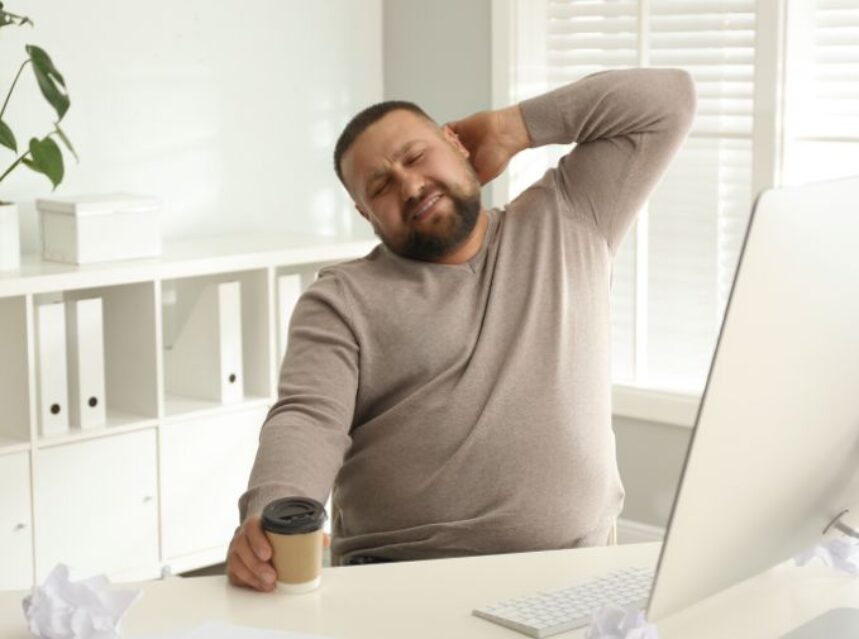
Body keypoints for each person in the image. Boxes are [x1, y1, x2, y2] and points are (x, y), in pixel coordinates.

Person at [227, 68, 696, 592]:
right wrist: (274, 510)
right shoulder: (340, 299)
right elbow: (308, 418)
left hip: (579, 576)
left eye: (415, 156)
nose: (409, 185)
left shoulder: (570, 216)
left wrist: (513, 126)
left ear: (455, 142)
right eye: (381, 185)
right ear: (366, 213)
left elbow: (667, 100)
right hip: (407, 584)